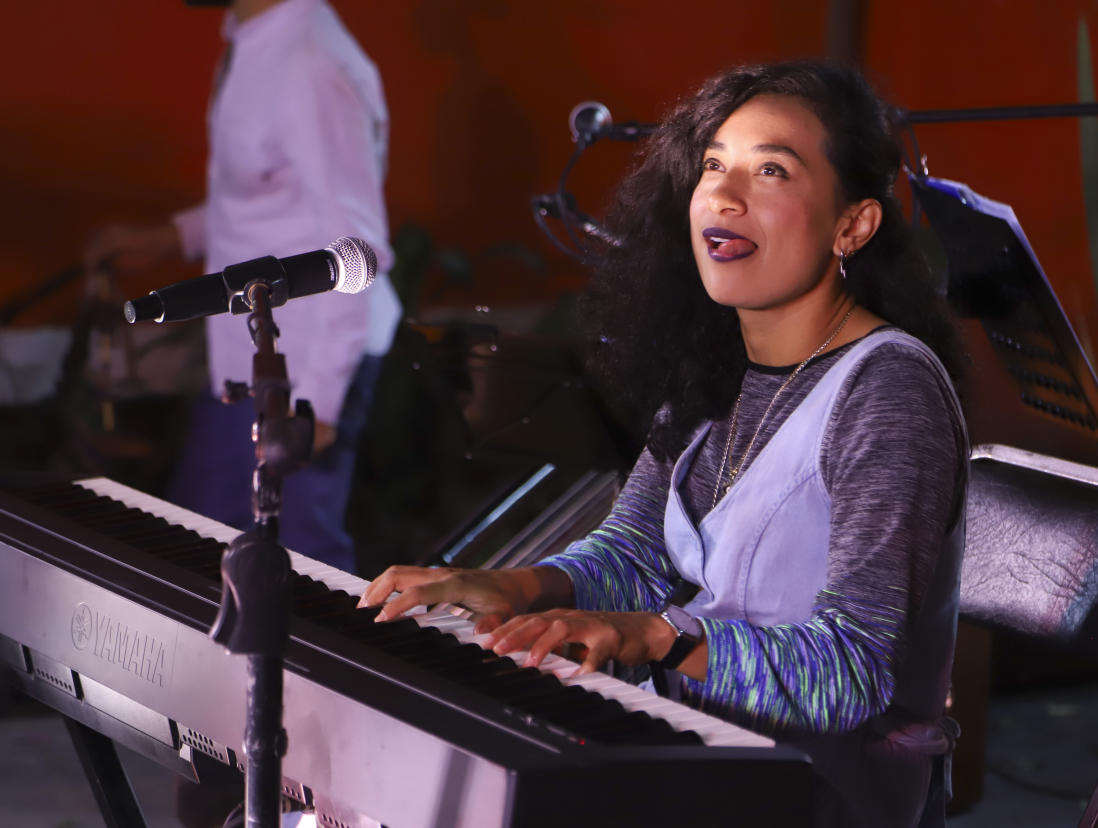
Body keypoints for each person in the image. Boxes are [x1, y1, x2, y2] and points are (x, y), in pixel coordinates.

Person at [359, 60, 968, 827]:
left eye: (771, 170)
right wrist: (518, 588)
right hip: (702, 754)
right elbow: (633, 556)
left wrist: (655, 637)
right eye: (714, 165)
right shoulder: (717, 365)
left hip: (824, 795)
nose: (724, 193)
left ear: (854, 224)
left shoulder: (889, 391)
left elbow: (848, 674)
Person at [86, 0, 399, 575]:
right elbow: (267, 197)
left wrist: (320, 403)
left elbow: (358, 248)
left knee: (298, 579)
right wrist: (169, 237)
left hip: (302, 368)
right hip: (250, 355)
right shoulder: (256, 40)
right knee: (207, 558)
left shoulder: (308, 61)